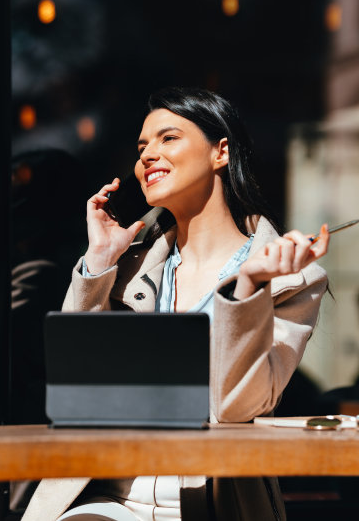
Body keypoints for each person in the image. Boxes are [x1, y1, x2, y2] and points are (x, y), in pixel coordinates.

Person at [22, 87, 329, 521]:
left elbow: (237, 407)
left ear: (220, 152)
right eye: (142, 146)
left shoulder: (291, 278)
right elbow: (80, 389)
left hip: (209, 503)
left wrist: (250, 286)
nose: (148, 155)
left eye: (168, 138)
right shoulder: (125, 270)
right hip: (104, 498)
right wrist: (98, 262)